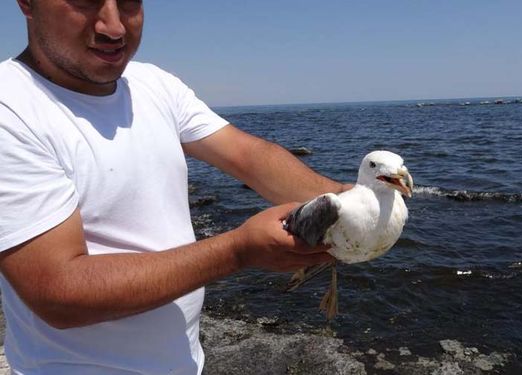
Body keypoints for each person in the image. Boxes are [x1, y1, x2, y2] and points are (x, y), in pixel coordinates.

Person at [0, 0, 348, 373]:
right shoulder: (12, 108)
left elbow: (248, 155)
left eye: (130, 3)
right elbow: (60, 294)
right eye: (86, 2)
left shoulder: (152, 83)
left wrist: (350, 205)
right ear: (27, 4)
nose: (114, 27)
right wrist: (238, 251)